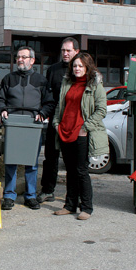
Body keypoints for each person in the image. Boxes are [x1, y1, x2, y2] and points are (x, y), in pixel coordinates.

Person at [0, 46, 54, 211]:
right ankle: (9, 196)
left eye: (24, 57)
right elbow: (0, 100)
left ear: (32, 60)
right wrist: (3, 110)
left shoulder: (41, 81)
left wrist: (43, 113)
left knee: (32, 162)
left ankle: (30, 196)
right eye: (18, 57)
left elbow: (50, 102)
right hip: (13, 122)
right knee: (11, 161)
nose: (20, 60)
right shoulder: (8, 79)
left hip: (32, 123)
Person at [52, 52, 108, 220]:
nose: (77, 68)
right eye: (75, 66)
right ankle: (70, 205)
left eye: (80, 66)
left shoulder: (95, 85)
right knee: (70, 171)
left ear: (87, 67)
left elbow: (101, 110)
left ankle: (87, 207)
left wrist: (85, 127)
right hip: (65, 131)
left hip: (81, 133)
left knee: (81, 170)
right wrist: (56, 123)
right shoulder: (67, 82)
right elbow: (60, 105)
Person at [39, 37, 80, 203]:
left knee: (73, 161)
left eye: (69, 50)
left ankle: (73, 196)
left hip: (73, 122)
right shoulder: (53, 70)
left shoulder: (81, 70)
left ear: (77, 52)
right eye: (63, 50)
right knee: (50, 158)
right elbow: (48, 95)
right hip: (54, 122)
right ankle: (47, 190)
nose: (65, 53)